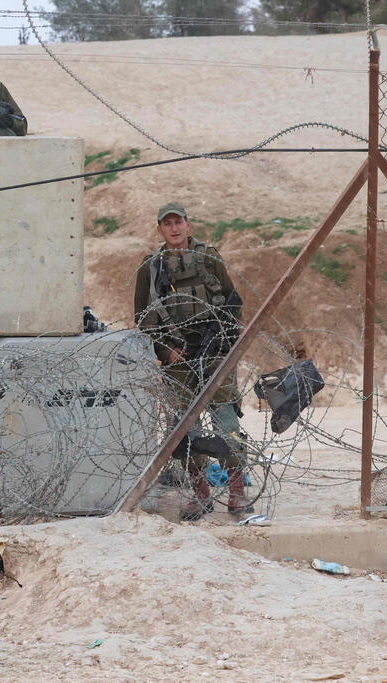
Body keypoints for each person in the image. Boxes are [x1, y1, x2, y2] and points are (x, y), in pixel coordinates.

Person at [133, 202, 253, 520]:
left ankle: (238, 494)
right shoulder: (152, 267)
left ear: (189, 225)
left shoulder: (209, 258)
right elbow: (143, 319)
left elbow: (231, 302)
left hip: (215, 355)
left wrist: (224, 341)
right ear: (160, 228)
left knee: (226, 423)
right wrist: (166, 351)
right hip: (178, 360)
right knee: (186, 429)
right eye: (167, 223)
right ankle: (201, 496)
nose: (174, 228)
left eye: (178, 222)